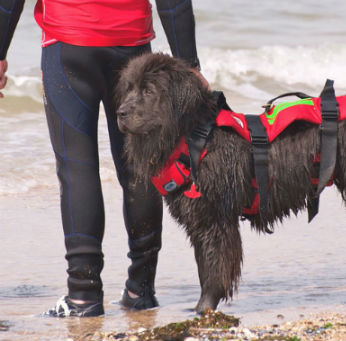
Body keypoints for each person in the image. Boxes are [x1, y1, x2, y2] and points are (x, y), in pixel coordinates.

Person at [0, 0, 208, 317]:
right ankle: (141, 290)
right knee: (141, 166)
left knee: (77, 168)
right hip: (133, 47)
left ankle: (83, 297)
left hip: (69, 43)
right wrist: (190, 65)